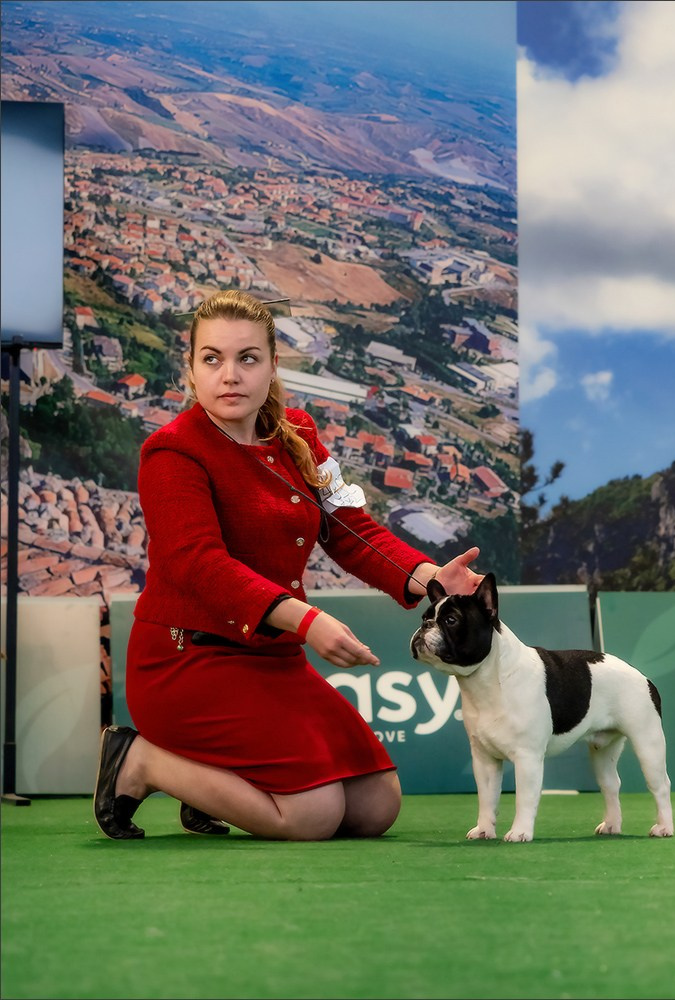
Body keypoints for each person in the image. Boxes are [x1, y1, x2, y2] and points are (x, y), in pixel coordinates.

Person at [94, 288, 483, 842]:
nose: (230, 375)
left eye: (247, 358)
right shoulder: (171, 451)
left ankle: (213, 783)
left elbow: (350, 530)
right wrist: (306, 620)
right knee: (311, 816)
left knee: (377, 806)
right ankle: (142, 762)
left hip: (270, 660)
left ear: (273, 365)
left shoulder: (298, 434)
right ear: (191, 367)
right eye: (213, 359)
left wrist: (430, 580)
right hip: (188, 661)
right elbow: (197, 563)